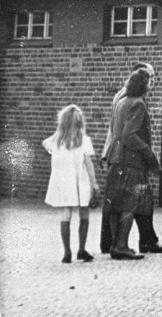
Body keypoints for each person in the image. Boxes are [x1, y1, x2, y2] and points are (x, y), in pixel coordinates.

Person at [100, 62, 162, 255]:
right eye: (149, 81)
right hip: (131, 162)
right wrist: (148, 153)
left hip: (116, 158)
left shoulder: (121, 101)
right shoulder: (138, 103)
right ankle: (121, 246)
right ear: (143, 85)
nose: (151, 84)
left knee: (115, 204)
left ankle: (115, 245)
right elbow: (129, 135)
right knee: (130, 205)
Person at [43, 104, 101, 263]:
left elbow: (45, 143)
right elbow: (89, 163)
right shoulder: (84, 141)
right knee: (84, 212)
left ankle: (67, 252)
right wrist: (94, 183)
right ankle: (81, 249)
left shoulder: (56, 141)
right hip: (81, 181)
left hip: (64, 182)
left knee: (66, 213)